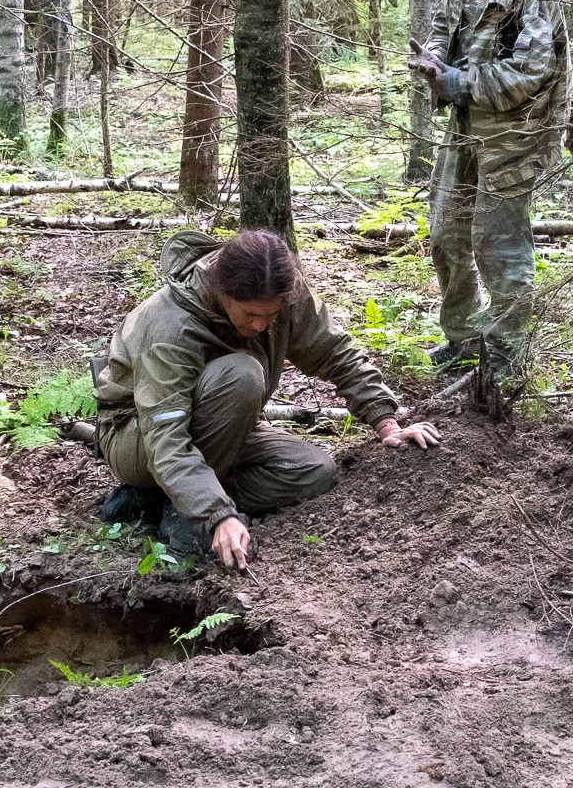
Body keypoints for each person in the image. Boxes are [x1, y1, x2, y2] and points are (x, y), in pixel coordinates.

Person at [93, 229, 440, 570]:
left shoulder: (281, 293)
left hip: (219, 431)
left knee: (313, 471)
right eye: (251, 315)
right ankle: (189, 513)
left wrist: (386, 422)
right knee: (242, 374)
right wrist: (218, 517)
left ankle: (162, 499)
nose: (262, 326)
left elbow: (335, 351)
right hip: (137, 437)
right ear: (223, 292)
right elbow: (165, 441)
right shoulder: (170, 326)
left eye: (271, 316)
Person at [408, 0, 571, 378]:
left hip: (516, 131)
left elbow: (530, 69)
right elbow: (442, 21)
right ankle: (461, 341)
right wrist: (432, 60)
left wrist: (460, 83)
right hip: (464, 124)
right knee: (447, 234)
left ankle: (504, 353)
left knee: (498, 244)